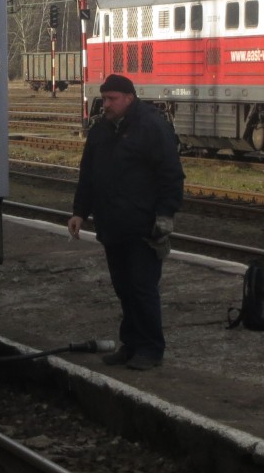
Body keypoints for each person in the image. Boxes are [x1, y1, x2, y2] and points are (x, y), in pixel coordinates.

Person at [67, 74, 184, 370]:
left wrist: (165, 215)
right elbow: (88, 176)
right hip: (112, 225)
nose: (105, 104)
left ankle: (151, 349)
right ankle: (130, 345)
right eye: (104, 99)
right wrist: (79, 211)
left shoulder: (152, 127)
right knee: (124, 287)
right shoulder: (100, 131)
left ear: (129, 98)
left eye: (111, 99)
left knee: (142, 287)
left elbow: (171, 175)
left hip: (143, 225)